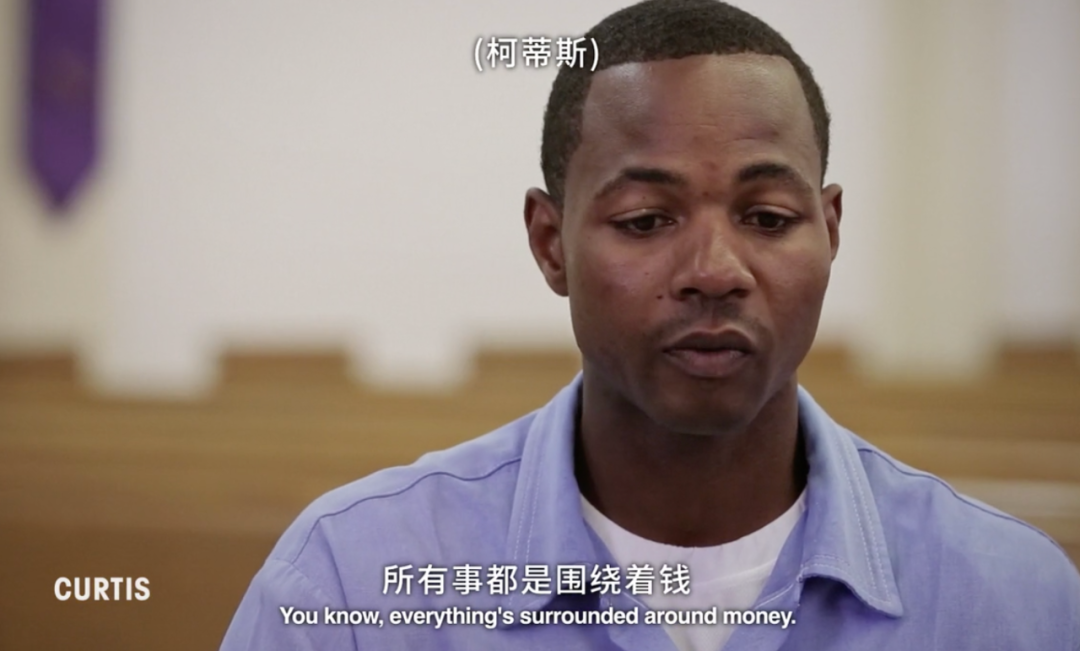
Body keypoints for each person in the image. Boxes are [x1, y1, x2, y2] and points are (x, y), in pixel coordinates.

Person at [220, 0, 1080, 649]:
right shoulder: (353, 585)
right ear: (550, 243)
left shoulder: (1012, 600)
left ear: (830, 230)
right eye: (645, 220)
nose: (715, 270)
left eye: (769, 217)